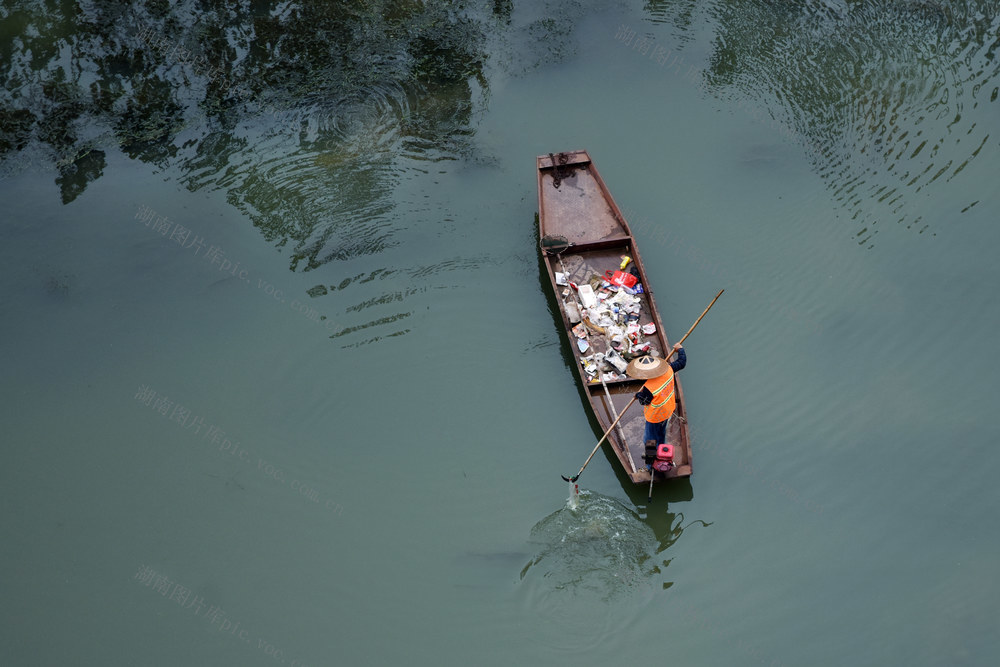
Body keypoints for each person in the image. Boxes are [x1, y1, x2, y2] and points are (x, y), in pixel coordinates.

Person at [626, 343, 686, 453]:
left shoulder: (649, 387)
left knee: (649, 439)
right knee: (661, 433)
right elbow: (682, 362)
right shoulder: (669, 369)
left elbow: (644, 401)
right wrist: (680, 350)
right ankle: (661, 448)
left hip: (655, 416)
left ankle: (652, 458)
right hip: (667, 410)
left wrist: (638, 395)